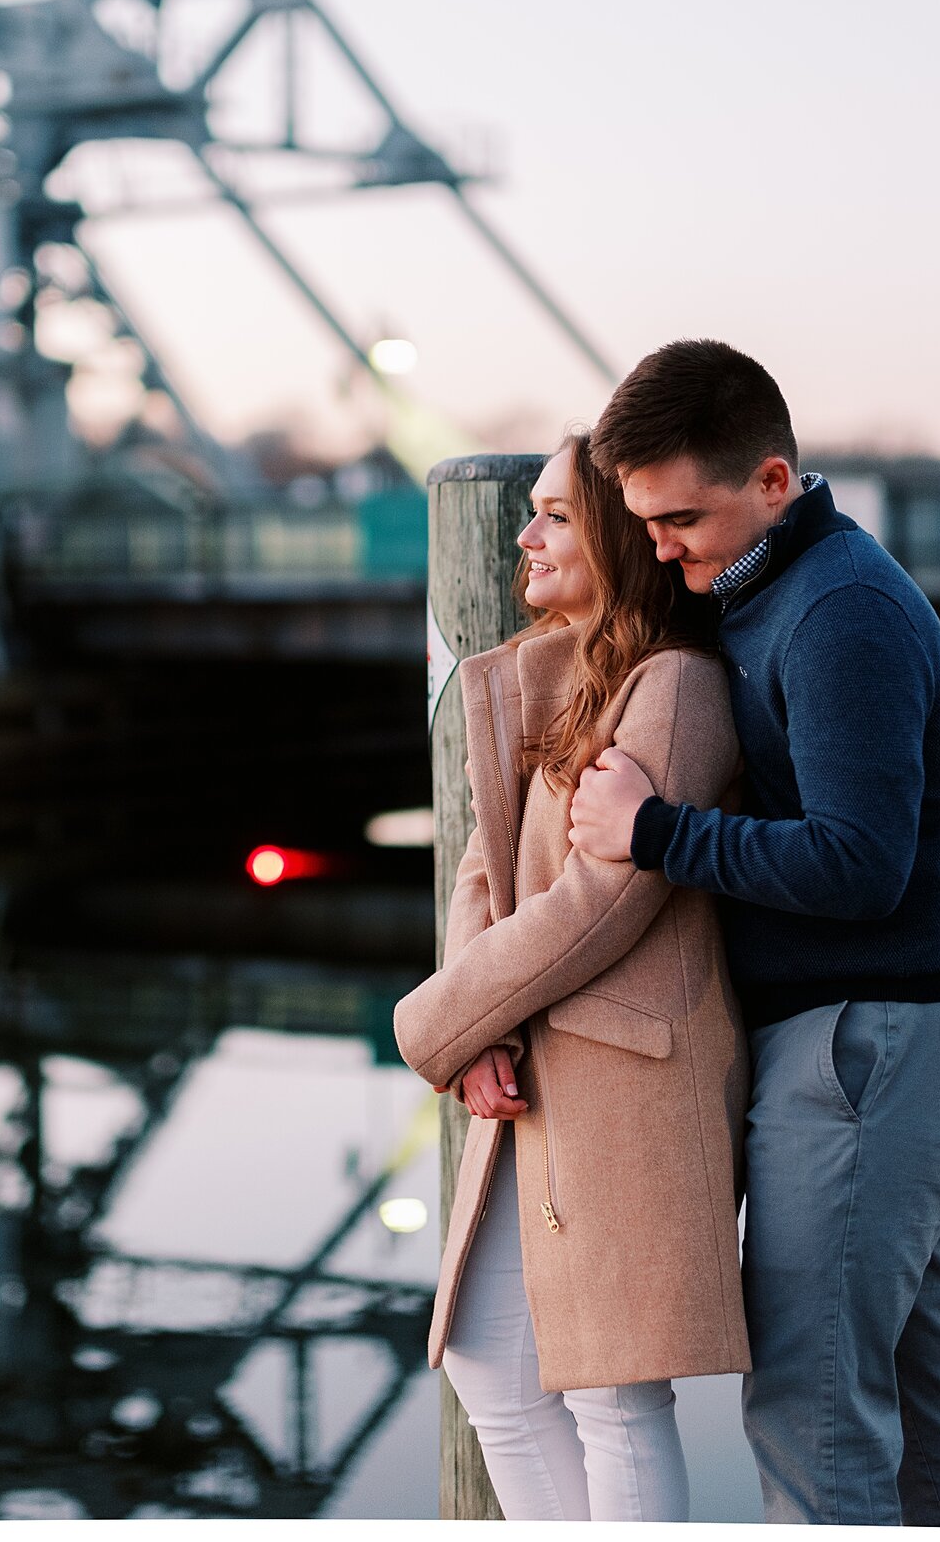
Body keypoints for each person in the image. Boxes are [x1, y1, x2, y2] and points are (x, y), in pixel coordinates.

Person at [566, 338, 940, 1527]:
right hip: (894, 1041)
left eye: (681, 519)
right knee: (933, 1381)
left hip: (871, 1047)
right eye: (641, 521)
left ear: (773, 480)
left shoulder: (838, 611)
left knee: (809, 1405)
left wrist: (653, 830)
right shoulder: (770, 592)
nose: (661, 549)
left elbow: (858, 866)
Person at [392, 432, 749, 1522]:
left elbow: (604, 898)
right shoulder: (553, 674)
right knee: (492, 1361)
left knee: (612, 1392)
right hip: (535, 1062)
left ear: (617, 537)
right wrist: (482, 1032)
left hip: (627, 1077)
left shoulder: (676, 688)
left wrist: (440, 1023)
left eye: (553, 513)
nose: (525, 532)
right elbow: (482, 867)